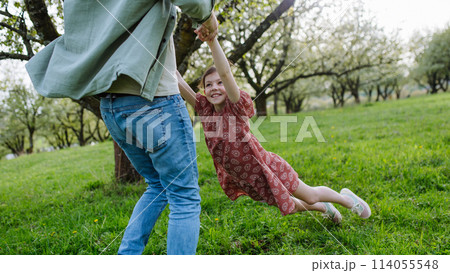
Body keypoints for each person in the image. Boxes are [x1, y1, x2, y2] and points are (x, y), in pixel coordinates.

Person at [26, 0, 218, 255]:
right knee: (184, 197)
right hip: (155, 101)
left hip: (112, 107)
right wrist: (208, 15)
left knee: (158, 184)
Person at [176, 35, 371, 223]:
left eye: (220, 83)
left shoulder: (234, 107)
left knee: (310, 196)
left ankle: (347, 199)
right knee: (290, 206)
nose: (214, 88)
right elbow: (178, 81)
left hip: (267, 167)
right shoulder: (206, 111)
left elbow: (226, 73)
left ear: (228, 85)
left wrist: (212, 41)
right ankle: (324, 207)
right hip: (247, 179)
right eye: (208, 85)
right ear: (203, 91)